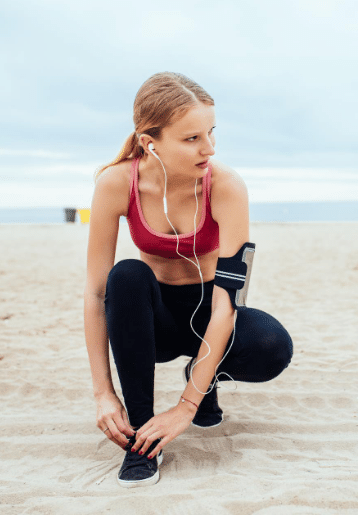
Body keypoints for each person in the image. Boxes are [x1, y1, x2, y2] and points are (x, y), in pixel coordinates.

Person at [84, 72, 294, 488]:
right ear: (151, 142)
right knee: (126, 275)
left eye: (211, 133)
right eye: (192, 138)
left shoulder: (226, 185)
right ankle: (142, 439)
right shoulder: (116, 183)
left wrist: (186, 406)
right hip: (152, 321)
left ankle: (204, 378)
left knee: (273, 347)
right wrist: (103, 394)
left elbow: (227, 302)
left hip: (211, 310)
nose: (209, 148)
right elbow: (95, 294)